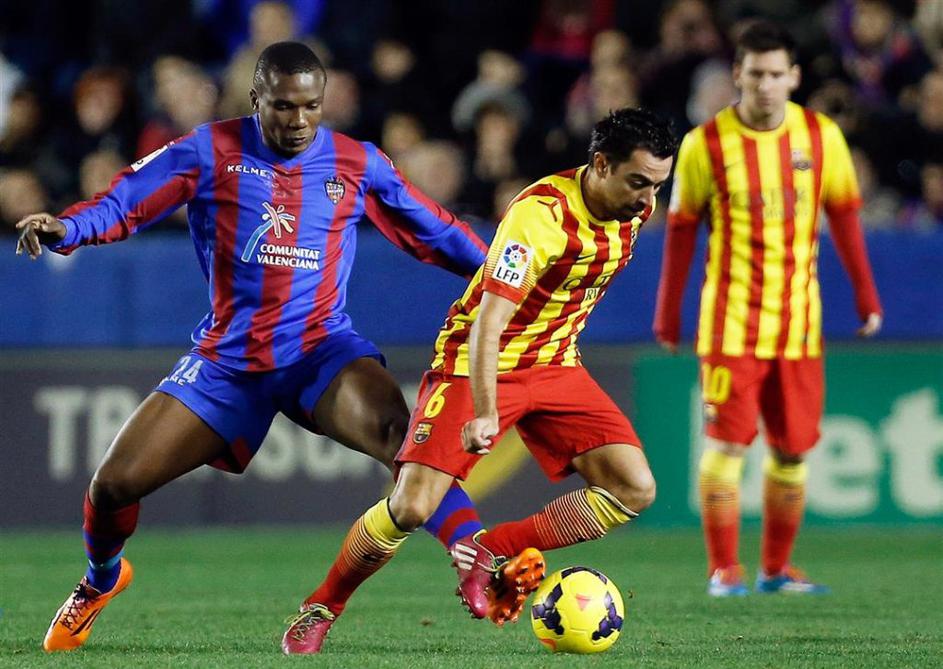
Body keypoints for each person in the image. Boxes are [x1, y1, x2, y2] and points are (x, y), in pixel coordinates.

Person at [16, 41, 489, 652]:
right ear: (255, 99)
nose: (299, 121)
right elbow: (125, 202)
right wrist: (68, 227)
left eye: (311, 106)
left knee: (401, 437)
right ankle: (100, 580)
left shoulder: (357, 162)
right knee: (111, 486)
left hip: (321, 351)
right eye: (284, 106)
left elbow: (437, 232)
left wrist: (507, 278)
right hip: (228, 363)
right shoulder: (208, 150)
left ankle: (477, 556)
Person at [281, 107, 677, 655]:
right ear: (602, 164)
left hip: (554, 362)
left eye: (658, 184)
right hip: (477, 363)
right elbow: (488, 325)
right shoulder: (539, 219)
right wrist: (487, 410)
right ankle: (322, 606)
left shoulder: (636, 208)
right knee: (412, 506)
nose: (648, 199)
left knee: (634, 487)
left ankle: (492, 549)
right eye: (638, 182)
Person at [653, 21, 883, 597]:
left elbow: (845, 216)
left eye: (776, 74)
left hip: (799, 326)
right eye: (755, 74)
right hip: (730, 324)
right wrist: (667, 313)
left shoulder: (821, 136)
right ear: (738, 75)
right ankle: (723, 570)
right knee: (727, 445)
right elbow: (680, 233)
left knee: (792, 451)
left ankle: (776, 570)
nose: (765, 85)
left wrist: (866, 295)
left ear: (794, 77)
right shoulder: (705, 143)